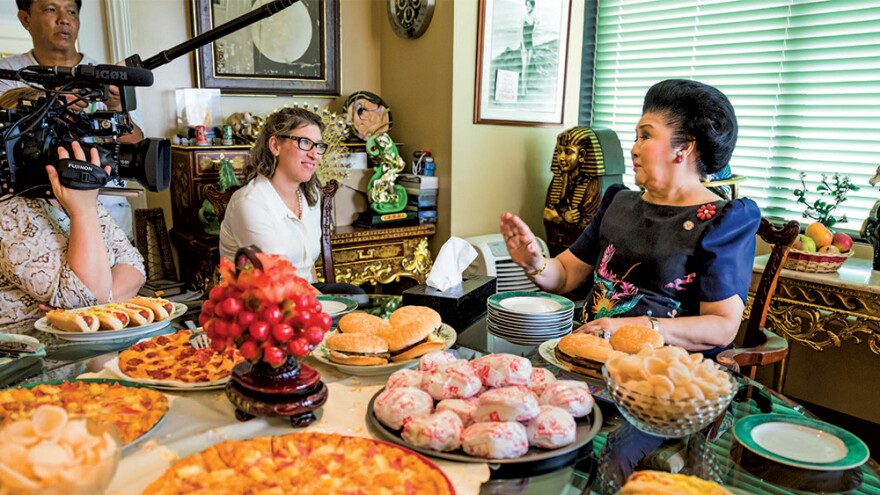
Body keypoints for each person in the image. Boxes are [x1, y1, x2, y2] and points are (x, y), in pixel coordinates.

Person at [500, 79, 760, 356]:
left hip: (667, 375)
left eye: (646, 136)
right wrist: (534, 263)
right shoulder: (618, 202)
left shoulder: (723, 221)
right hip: (593, 359)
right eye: (636, 137)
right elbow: (564, 275)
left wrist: (638, 327)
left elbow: (722, 327)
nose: (634, 148)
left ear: (683, 147)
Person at [0, 0, 146, 239]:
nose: (64, 19)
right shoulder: (8, 74)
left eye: (71, 11)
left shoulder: (106, 76)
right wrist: (53, 103)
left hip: (107, 217)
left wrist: (119, 108)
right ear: (25, 19)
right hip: (32, 227)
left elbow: (135, 148)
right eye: (50, 9)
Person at [0, 140, 146, 333]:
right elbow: (86, 297)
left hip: (91, 353)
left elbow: (135, 269)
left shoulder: (73, 195)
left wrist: (77, 314)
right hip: (33, 358)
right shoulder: (9, 211)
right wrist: (83, 211)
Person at [219, 107, 364, 295]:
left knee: (356, 295)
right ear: (275, 146)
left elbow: (307, 266)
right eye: (305, 142)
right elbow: (276, 277)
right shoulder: (249, 202)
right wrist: (327, 310)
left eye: (319, 146)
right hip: (260, 302)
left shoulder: (310, 194)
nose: (314, 154)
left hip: (303, 294)